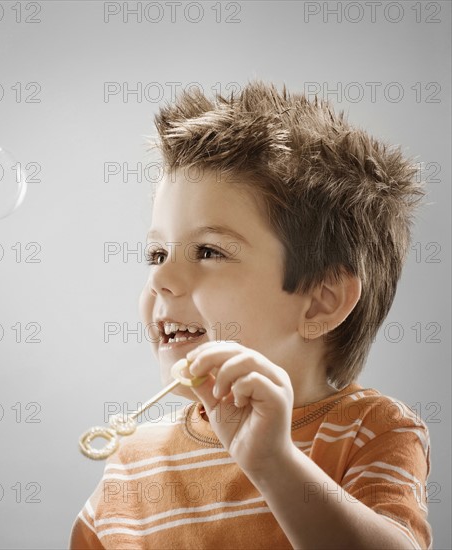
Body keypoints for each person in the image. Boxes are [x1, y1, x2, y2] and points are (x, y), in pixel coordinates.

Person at [69, 80, 432, 549]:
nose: (160, 279)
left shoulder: (370, 430)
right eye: (157, 254)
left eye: (208, 251)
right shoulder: (130, 464)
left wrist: (273, 462)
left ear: (321, 301)